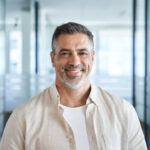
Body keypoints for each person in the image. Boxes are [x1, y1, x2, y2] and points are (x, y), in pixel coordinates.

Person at [0, 22, 147, 150]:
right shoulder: (23, 117)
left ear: (93, 57)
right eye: (65, 53)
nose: (74, 61)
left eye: (82, 53)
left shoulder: (122, 111)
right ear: (53, 58)